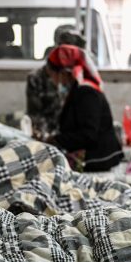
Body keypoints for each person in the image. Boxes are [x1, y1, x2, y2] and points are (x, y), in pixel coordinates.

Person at [43, 44, 123, 172]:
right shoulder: (77, 89)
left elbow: (88, 135)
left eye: (52, 75)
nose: (52, 80)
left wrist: (56, 140)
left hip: (97, 157)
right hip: (94, 153)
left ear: (64, 73)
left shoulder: (87, 93)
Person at [26, 26, 86, 138]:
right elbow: (36, 116)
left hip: (72, 135)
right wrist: (49, 138)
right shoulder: (36, 78)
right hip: (48, 134)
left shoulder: (77, 77)